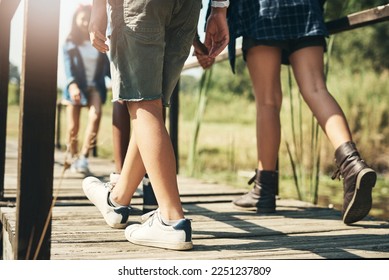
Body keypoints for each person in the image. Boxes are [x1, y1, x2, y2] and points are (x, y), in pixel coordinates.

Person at [206, 0, 377, 225]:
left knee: (267, 102)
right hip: (304, 7)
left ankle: (264, 191)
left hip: (261, 11)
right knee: (316, 89)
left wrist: (216, 12)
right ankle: (352, 163)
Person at [82, 0, 228, 251]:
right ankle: (117, 200)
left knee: (143, 102)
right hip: (189, 6)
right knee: (152, 105)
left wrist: (97, 7)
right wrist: (219, 8)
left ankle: (171, 220)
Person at [62, 4, 110, 174]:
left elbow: (108, 68)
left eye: (86, 19)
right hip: (76, 87)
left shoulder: (98, 40)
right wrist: (73, 85)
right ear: (75, 20)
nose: (84, 22)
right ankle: (73, 157)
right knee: (72, 127)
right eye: (81, 19)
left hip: (95, 86)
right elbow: (68, 68)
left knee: (95, 116)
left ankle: (83, 157)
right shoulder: (69, 44)